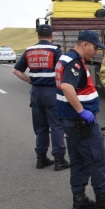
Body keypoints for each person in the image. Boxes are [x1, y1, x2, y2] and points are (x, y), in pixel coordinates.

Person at [56, 30, 105, 209]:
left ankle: (79, 199)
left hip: (71, 122)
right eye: (95, 47)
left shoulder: (66, 59)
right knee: (98, 159)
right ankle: (102, 198)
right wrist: (82, 111)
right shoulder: (74, 62)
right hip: (81, 122)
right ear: (85, 44)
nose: (96, 51)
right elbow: (66, 86)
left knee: (79, 160)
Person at [12, 24, 69, 171]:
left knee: (41, 127)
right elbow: (63, 71)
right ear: (52, 36)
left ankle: (41, 158)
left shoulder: (29, 50)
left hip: (36, 92)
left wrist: (31, 81)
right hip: (51, 92)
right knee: (56, 126)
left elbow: (16, 70)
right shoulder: (55, 50)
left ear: (37, 36)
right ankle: (59, 159)